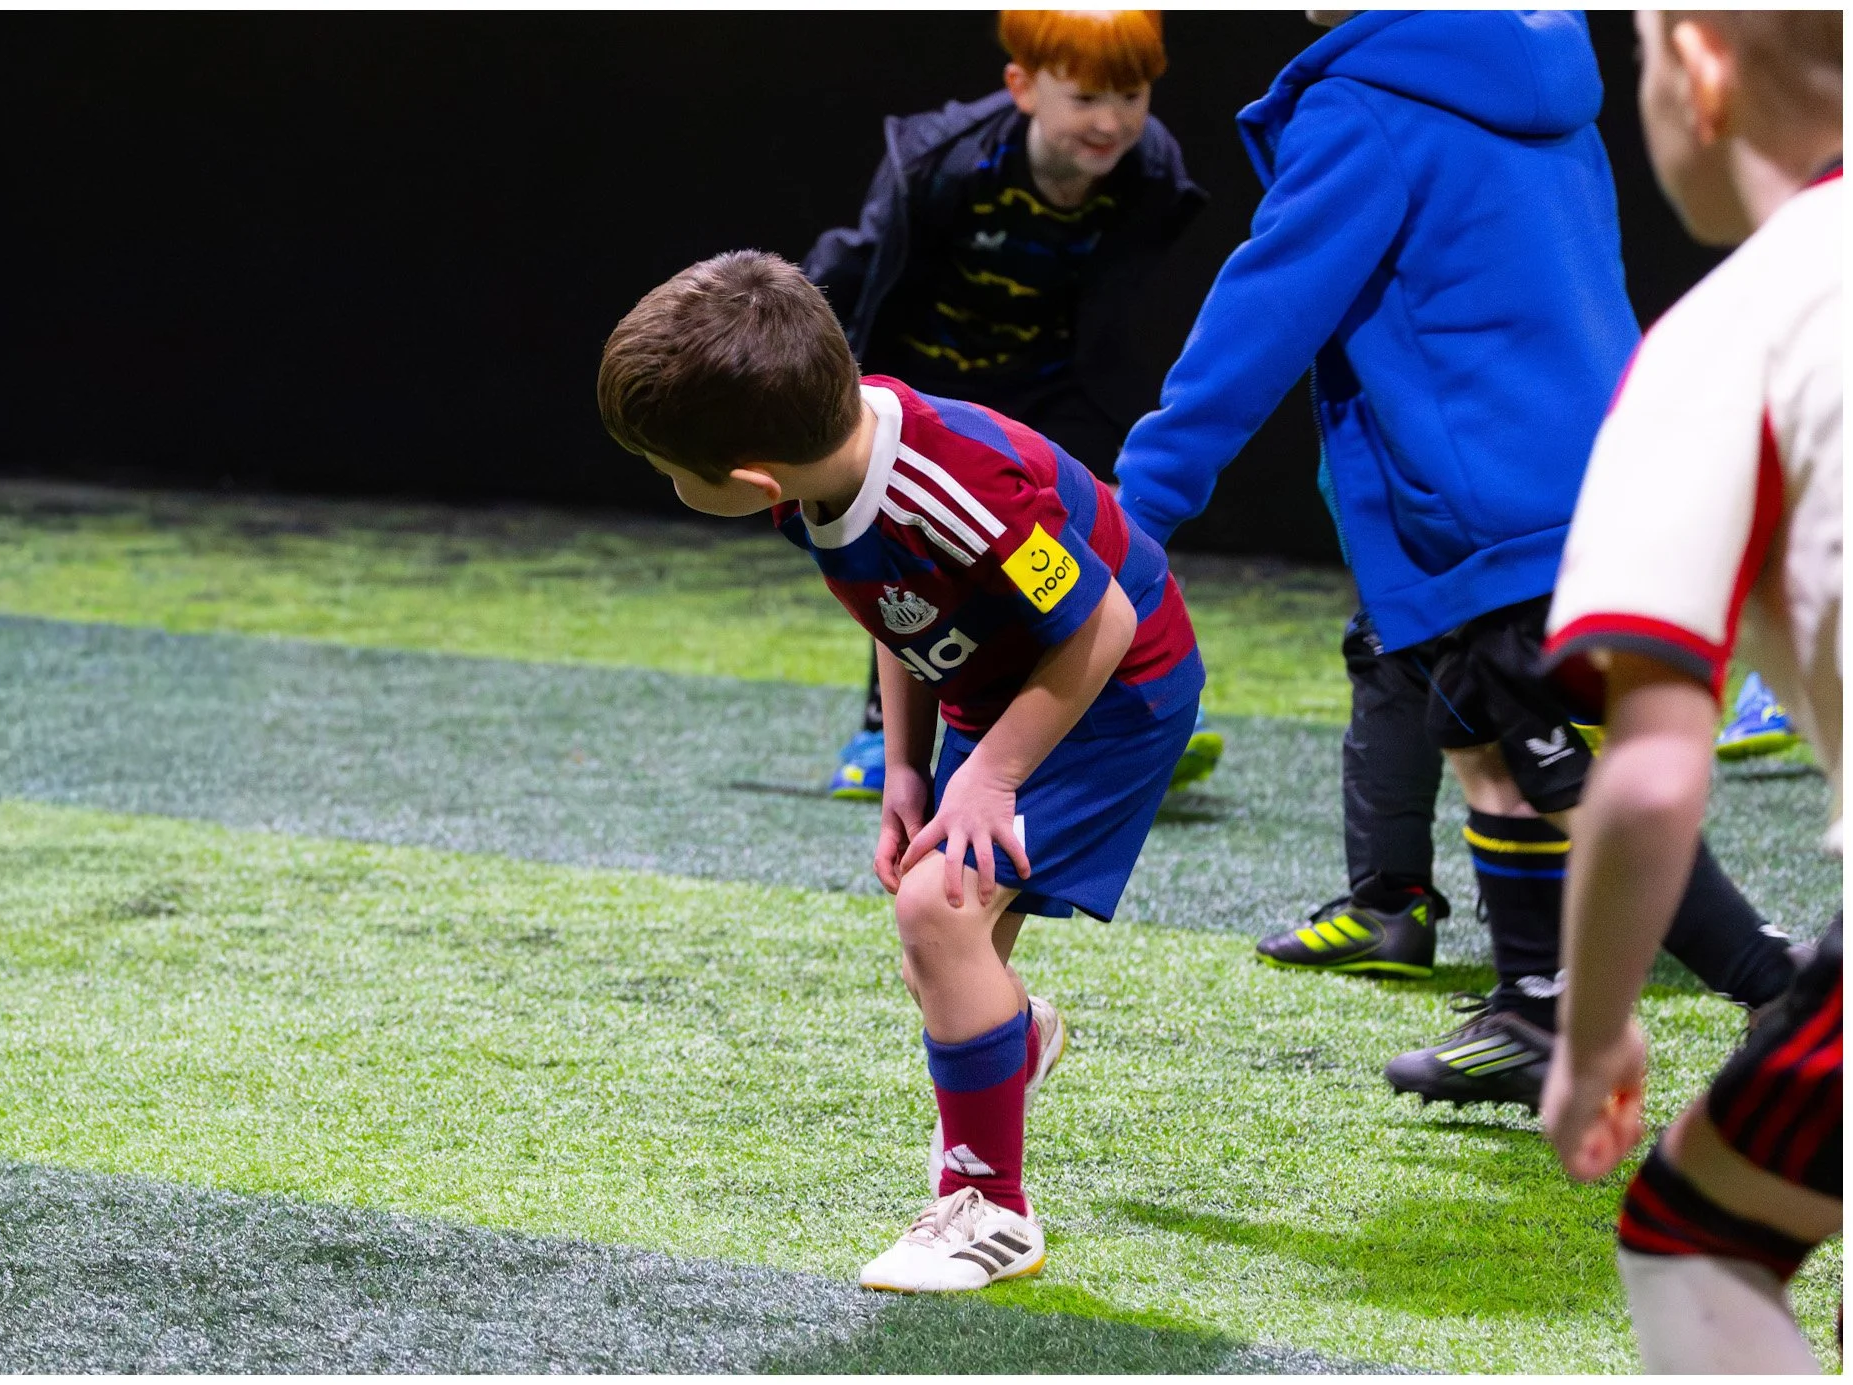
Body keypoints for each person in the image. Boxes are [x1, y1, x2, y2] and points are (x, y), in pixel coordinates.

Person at [1110, 10, 1794, 1108]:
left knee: (1581, 781)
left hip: (1495, 513)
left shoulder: (1365, 101)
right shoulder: (1531, 73)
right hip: (1582, 478)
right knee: (1486, 744)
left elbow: (1262, 310)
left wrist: (1137, 505)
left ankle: (1782, 985)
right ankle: (1535, 1008)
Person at [599, 249, 1204, 1292]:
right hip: (1004, 682)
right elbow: (897, 604)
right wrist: (907, 763)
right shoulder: (824, 466)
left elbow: (1100, 619)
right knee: (952, 952)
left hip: (1109, 691)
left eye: (672, 472)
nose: (669, 484)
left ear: (748, 481)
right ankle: (1012, 1044)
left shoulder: (948, 488)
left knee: (935, 912)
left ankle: (991, 1213)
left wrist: (991, 776)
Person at [1539, 11, 1840, 1371]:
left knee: (1690, 1237)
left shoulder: (1731, 329)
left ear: (1698, 71)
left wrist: (1592, 1038)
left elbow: (1653, 774)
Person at [803, 10, 1221, 802]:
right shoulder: (942, 166)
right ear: (1024, 88)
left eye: (1131, 96)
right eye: (1087, 97)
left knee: (1080, 535)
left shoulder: (1151, 172)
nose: (1112, 121)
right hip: (929, 390)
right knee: (912, 552)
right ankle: (878, 730)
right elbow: (856, 264)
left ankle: (1118, 697)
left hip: (1050, 391)